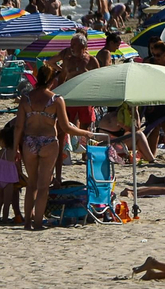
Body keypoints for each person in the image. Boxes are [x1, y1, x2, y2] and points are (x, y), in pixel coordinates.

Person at [11, 65, 103, 230]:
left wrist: (14, 149)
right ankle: (38, 222)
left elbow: (18, 127)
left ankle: (27, 222)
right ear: (52, 81)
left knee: (31, 184)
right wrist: (85, 133)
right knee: (43, 186)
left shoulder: (26, 99)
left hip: (30, 141)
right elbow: (66, 127)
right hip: (48, 142)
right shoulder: (56, 99)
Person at [0, 121, 23, 226]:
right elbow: (18, 168)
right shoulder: (13, 154)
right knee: (7, 202)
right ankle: (5, 220)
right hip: (9, 180)